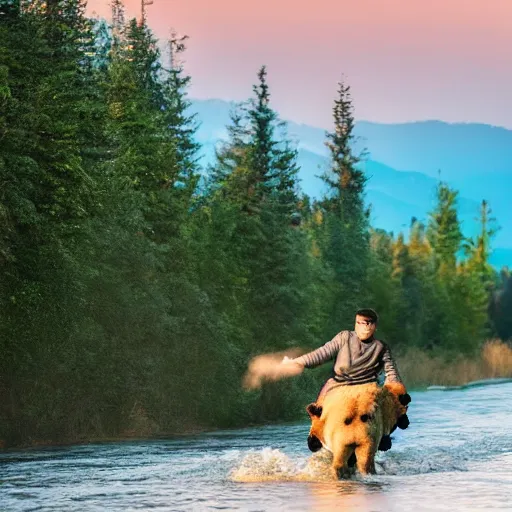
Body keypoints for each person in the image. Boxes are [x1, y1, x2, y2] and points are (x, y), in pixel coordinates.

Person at [282, 308, 404, 404]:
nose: (365, 327)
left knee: (390, 404)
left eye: (368, 323)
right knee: (318, 410)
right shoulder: (344, 337)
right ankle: (316, 432)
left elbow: (391, 373)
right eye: (360, 323)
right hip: (337, 385)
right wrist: (299, 361)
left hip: (367, 389)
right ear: (356, 324)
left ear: (374, 326)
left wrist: (398, 394)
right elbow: (323, 353)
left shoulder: (381, 347)